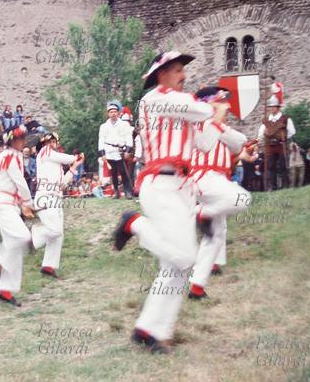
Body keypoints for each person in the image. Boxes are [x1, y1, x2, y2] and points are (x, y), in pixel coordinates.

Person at [111, 51, 225, 354]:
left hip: (183, 187)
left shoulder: (181, 106)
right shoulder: (154, 98)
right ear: (161, 74)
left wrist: (217, 117)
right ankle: (133, 223)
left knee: (174, 268)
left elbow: (205, 143)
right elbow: (198, 111)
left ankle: (148, 331)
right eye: (177, 70)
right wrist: (210, 108)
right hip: (160, 183)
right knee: (185, 257)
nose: (184, 76)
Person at [187, 86, 255, 301]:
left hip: (212, 179)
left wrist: (241, 151)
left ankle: (197, 288)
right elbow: (238, 142)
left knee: (215, 236)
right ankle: (200, 213)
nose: (227, 105)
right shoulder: (205, 124)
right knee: (243, 198)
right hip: (204, 177)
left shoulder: (219, 127)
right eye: (222, 101)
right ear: (210, 102)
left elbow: (238, 144)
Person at [0, 126, 35, 307]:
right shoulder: (10, 156)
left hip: (8, 203)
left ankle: (6, 291)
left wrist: (23, 205)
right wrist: (28, 202)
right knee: (23, 237)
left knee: (16, 248)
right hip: (2, 203)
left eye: (24, 137)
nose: (24, 141)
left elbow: (16, 184)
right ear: (11, 141)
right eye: (20, 138)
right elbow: (20, 181)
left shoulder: (10, 155)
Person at [33, 132, 83, 279]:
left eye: (54, 141)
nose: (50, 144)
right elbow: (65, 157)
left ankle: (48, 266)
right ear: (44, 144)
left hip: (55, 198)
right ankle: (31, 236)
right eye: (48, 142)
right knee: (54, 231)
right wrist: (76, 157)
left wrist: (75, 166)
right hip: (46, 197)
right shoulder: (44, 152)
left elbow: (62, 184)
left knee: (58, 234)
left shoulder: (56, 164)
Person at [257, 96, 296, 191]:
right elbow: (260, 135)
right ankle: (273, 187)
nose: (272, 108)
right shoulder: (266, 121)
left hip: (281, 145)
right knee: (271, 166)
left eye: (274, 106)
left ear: (278, 107)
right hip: (270, 145)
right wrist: (264, 133)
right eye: (270, 106)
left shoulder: (285, 119)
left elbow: (292, 132)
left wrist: (283, 137)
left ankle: (286, 187)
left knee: (284, 166)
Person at [98, 101, 134, 199]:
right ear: (108, 114)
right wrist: (102, 153)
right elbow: (101, 139)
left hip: (120, 150)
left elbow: (128, 138)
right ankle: (116, 192)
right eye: (111, 112)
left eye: (115, 111)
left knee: (123, 171)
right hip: (109, 151)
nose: (113, 113)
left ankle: (127, 192)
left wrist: (128, 150)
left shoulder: (124, 125)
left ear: (118, 113)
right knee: (113, 172)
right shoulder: (104, 126)